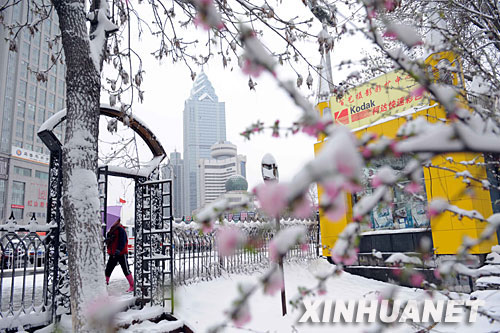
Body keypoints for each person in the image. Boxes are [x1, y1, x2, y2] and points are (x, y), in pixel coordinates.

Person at [105, 218, 134, 292]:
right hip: (112, 253)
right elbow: (109, 242)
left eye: (114, 221)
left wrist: (118, 250)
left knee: (126, 269)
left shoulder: (121, 230)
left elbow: (122, 241)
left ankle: (132, 285)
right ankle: (105, 284)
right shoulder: (110, 230)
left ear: (118, 221)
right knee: (108, 269)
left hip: (121, 253)